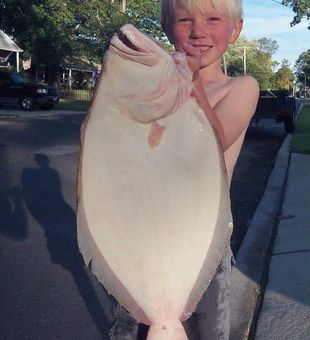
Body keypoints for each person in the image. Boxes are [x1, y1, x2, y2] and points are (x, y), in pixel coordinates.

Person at [160, 0, 259, 339]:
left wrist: (191, 78)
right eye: (185, 19)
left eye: (213, 19)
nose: (198, 30)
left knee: (205, 330)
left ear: (235, 30)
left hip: (205, 238)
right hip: (150, 233)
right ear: (166, 26)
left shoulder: (242, 88)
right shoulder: (156, 93)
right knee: (141, 325)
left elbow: (214, 141)